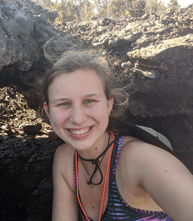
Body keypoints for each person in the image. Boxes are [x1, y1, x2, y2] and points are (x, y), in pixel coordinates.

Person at [39, 50, 193, 221]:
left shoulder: (141, 160)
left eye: (89, 101)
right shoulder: (65, 159)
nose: (77, 118)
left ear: (108, 104)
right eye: (63, 104)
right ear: (48, 111)